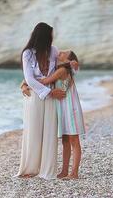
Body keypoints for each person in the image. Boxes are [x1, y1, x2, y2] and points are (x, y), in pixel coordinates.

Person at [12, 22, 66, 180]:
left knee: (49, 132)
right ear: (43, 37)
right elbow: (29, 78)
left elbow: (65, 65)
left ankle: (47, 170)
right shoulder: (27, 54)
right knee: (33, 131)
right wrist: (48, 92)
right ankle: (30, 168)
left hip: (51, 95)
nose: (52, 38)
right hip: (36, 95)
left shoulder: (54, 51)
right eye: (50, 35)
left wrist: (73, 65)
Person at [22, 50, 86, 180]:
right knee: (66, 141)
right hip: (63, 109)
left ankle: (74, 173)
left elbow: (44, 81)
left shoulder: (62, 71)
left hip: (70, 109)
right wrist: (23, 83)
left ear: (67, 60)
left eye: (64, 53)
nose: (60, 52)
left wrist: (26, 83)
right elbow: (41, 78)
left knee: (74, 141)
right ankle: (64, 171)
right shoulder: (60, 69)